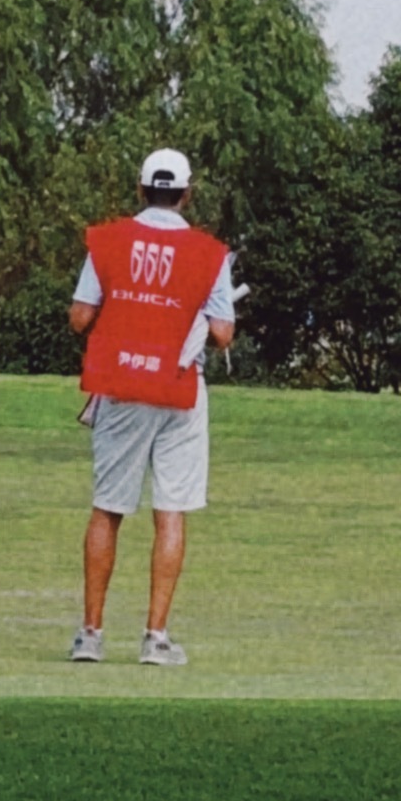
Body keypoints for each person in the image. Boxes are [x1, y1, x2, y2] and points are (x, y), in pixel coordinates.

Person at [68, 146, 234, 667]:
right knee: (171, 511)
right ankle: (155, 639)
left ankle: (90, 635)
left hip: (120, 383)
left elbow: (79, 317)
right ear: (187, 194)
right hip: (180, 387)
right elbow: (223, 332)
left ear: (141, 189)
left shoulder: (108, 240)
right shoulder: (211, 254)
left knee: (108, 507)